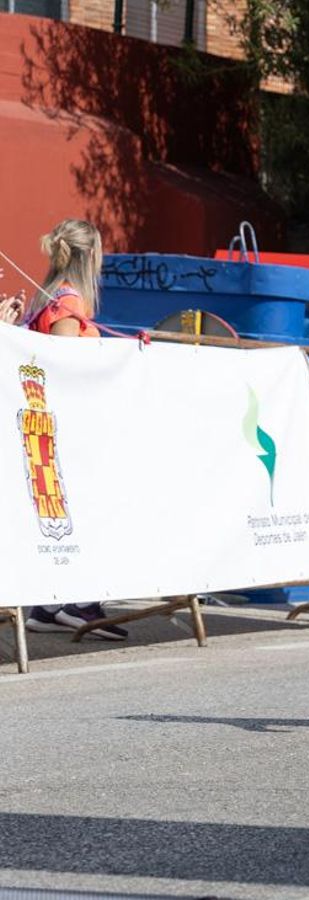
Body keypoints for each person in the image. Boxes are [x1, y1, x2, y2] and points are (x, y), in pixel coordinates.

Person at [21, 220, 128, 642]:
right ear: (91, 257)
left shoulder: (48, 296)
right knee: (89, 509)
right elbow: (65, 367)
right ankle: (78, 603)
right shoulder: (69, 302)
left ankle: (51, 606)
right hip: (66, 429)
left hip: (52, 428)